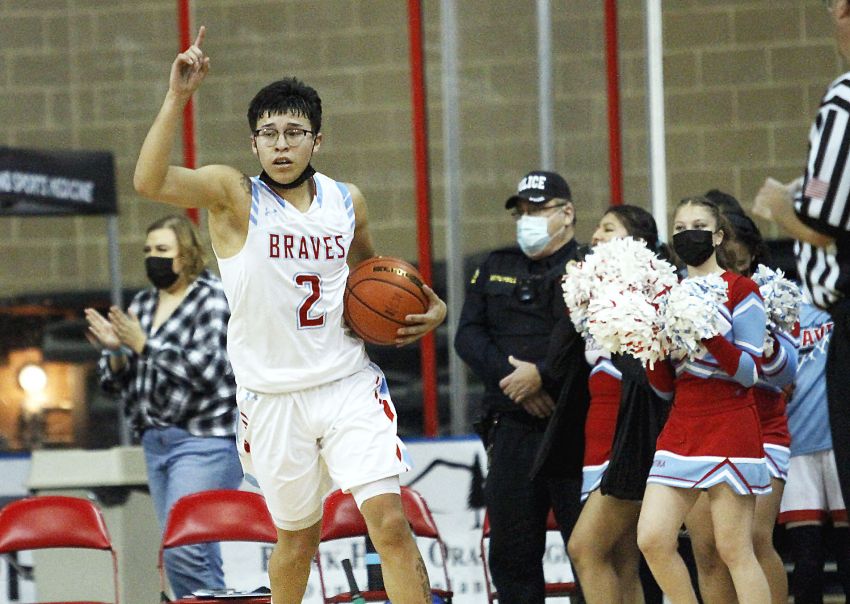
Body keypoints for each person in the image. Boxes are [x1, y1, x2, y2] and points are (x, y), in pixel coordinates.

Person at [131, 28, 447, 604]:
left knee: (390, 524)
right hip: (272, 398)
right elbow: (149, 182)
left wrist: (428, 303)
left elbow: (375, 276)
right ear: (254, 144)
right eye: (269, 134)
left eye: (294, 133)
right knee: (297, 543)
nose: (281, 145)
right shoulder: (233, 195)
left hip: (347, 383)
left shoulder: (346, 200)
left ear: (316, 140)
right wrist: (177, 97)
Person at [85, 214, 242, 598]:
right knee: (194, 547)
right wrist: (116, 352)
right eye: (147, 250)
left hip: (204, 441)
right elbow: (116, 383)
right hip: (155, 443)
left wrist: (143, 345)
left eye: (162, 249)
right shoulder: (142, 303)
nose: (152, 257)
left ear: (186, 254)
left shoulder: (212, 298)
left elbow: (207, 371)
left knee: (183, 547)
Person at [455, 170, 587, 604]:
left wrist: (543, 376)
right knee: (512, 555)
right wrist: (519, 384)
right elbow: (468, 336)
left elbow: (592, 339)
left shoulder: (589, 266)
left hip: (573, 429)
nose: (528, 220)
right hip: (510, 427)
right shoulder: (496, 265)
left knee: (589, 551)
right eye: (522, 212)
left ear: (567, 213)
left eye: (539, 210)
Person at [638, 196, 771, 604]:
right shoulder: (668, 294)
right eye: (680, 227)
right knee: (652, 538)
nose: (688, 233)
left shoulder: (742, 289)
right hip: (683, 424)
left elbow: (750, 372)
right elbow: (664, 388)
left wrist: (708, 332)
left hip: (731, 421)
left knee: (733, 549)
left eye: (698, 226)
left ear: (717, 236)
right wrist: (649, 347)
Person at [752, 0, 850, 513]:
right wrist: (807, 190)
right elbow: (829, 192)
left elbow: (820, 226)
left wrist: (778, 209)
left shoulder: (844, 97)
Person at [680, 194, 797, 604]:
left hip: (761, 429)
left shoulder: (766, 290)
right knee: (707, 549)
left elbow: (786, 373)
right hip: (702, 429)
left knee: (752, 539)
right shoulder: (685, 293)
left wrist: (763, 348)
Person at [566, 205, 669, 604]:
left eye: (608, 228)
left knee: (585, 548)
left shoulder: (649, 292)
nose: (595, 236)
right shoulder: (596, 294)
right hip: (598, 440)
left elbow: (651, 374)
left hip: (630, 441)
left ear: (636, 242)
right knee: (622, 560)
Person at [779, 299, 850, 603]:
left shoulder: (839, 303)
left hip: (841, 446)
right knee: (807, 562)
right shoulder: (775, 305)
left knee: (847, 557)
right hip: (795, 449)